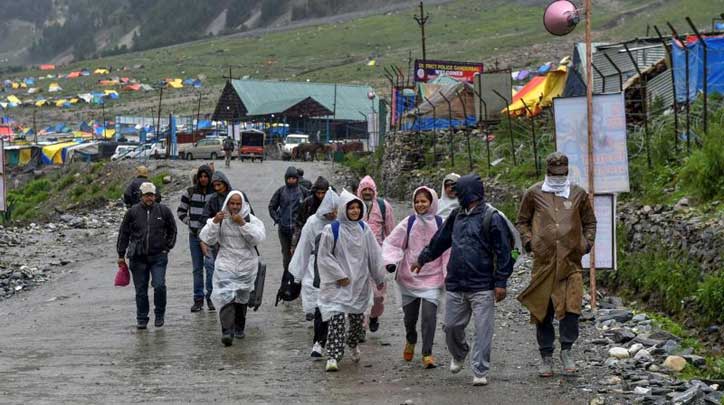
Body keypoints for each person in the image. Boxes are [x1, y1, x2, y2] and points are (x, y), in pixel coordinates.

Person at [414, 173, 513, 386]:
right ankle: (459, 353)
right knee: (451, 326)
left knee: (483, 330)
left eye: (459, 192)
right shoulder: (456, 215)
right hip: (456, 283)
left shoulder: (492, 217)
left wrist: (501, 282)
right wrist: (423, 258)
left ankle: (480, 369)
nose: (456, 195)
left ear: (470, 192)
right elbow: (441, 240)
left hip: (483, 285)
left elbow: (504, 251)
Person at [516, 152, 596, 377]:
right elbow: (522, 220)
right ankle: (546, 355)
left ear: (567, 171)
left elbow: (590, 221)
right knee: (543, 309)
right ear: (548, 171)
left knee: (572, 307)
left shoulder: (578, 194)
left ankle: (567, 350)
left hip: (571, 262)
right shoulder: (533, 193)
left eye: (562, 173)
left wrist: (586, 243)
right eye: (555, 173)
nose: (559, 177)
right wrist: (529, 242)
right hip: (544, 263)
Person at [316, 190, 386, 372]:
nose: (354, 211)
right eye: (350, 208)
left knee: (356, 321)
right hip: (338, 285)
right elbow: (324, 256)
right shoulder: (331, 230)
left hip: (359, 284)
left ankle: (353, 343)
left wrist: (379, 278)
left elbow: (374, 255)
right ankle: (333, 355)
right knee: (337, 319)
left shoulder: (364, 229)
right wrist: (339, 275)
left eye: (357, 207)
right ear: (343, 210)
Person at [382, 187, 447, 369]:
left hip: (433, 278)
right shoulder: (408, 222)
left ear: (432, 202)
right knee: (410, 318)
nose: (420, 204)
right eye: (417, 201)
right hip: (409, 276)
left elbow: (447, 251)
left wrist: (447, 273)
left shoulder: (441, 224)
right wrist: (391, 262)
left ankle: (427, 353)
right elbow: (392, 243)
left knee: (429, 316)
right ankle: (411, 338)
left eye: (424, 201)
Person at [200, 191, 266, 346]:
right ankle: (227, 331)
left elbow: (258, 238)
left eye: (238, 204)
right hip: (226, 262)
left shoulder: (252, 220)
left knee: (242, 296)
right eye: (232, 203)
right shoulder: (221, 219)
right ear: (227, 204)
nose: (235, 207)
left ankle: (239, 326)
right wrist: (215, 222)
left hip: (246, 264)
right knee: (225, 296)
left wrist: (243, 224)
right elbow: (206, 238)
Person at [117, 182, 177, 329]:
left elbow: (172, 230)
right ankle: (142, 318)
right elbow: (123, 234)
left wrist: (167, 247)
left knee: (159, 285)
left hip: (158, 256)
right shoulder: (132, 212)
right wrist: (121, 254)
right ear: (141, 196)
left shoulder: (164, 211)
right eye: (146, 195)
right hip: (138, 257)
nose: (149, 198)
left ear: (156, 196)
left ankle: (160, 314)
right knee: (141, 290)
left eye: (152, 195)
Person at [289, 188, 339, 358]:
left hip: (341, 273)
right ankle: (319, 342)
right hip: (317, 269)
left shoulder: (346, 223)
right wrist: (297, 275)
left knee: (337, 311)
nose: (332, 214)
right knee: (321, 306)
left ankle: (338, 343)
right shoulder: (312, 223)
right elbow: (304, 248)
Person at [356, 175, 395, 332]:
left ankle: (374, 316)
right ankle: (360, 327)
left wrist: (391, 256)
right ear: (359, 191)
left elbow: (392, 234)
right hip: (358, 257)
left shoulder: (384, 206)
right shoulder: (353, 206)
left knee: (378, 294)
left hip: (378, 256)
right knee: (360, 293)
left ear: (374, 191)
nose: (367, 192)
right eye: (364, 189)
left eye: (369, 189)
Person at [177, 165, 216, 312]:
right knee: (197, 269)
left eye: (206, 176)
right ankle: (198, 299)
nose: (204, 179)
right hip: (194, 236)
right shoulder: (190, 192)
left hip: (211, 237)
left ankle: (211, 297)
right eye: (201, 176)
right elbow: (180, 211)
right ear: (198, 177)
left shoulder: (215, 194)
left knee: (211, 267)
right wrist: (190, 222)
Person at [268, 166, 309, 301]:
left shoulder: (303, 192)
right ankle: (287, 283)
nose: (291, 181)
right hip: (284, 230)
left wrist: (307, 221)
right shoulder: (280, 191)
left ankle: (299, 282)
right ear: (286, 179)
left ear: (297, 179)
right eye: (289, 178)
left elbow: (312, 205)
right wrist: (277, 219)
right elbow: (271, 206)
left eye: (294, 178)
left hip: (299, 230)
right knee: (287, 258)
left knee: (299, 256)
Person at [293, 176, 331, 246]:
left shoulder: (332, 203)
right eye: (318, 193)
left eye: (323, 193)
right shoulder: (307, 203)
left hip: (328, 237)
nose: (320, 196)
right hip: (309, 237)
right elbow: (299, 222)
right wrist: (295, 243)